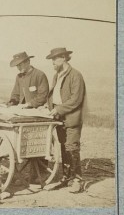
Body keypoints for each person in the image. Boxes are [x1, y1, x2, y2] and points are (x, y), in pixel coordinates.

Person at [46, 47, 86, 193]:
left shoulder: (76, 75)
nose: (52, 62)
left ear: (63, 58)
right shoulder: (57, 75)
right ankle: (66, 177)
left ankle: (77, 180)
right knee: (63, 147)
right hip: (59, 117)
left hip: (72, 118)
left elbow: (76, 99)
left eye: (54, 59)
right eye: (52, 60)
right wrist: (49, 108)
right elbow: (54, 95)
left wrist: (59, 109)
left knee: (72, 147)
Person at [7, 51, 49, 187]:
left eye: (20, 65)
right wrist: (12, 102)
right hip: (23, 114)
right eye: (17, 66)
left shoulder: (39, 75)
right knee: (23, 143)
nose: (19, 68)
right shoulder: (19, 77)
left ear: (28, 62)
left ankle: (39, 174)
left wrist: (29, 104)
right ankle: (21, 171)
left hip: (37, 113)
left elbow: (43, 96)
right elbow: (15, 93)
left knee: (38, 142)